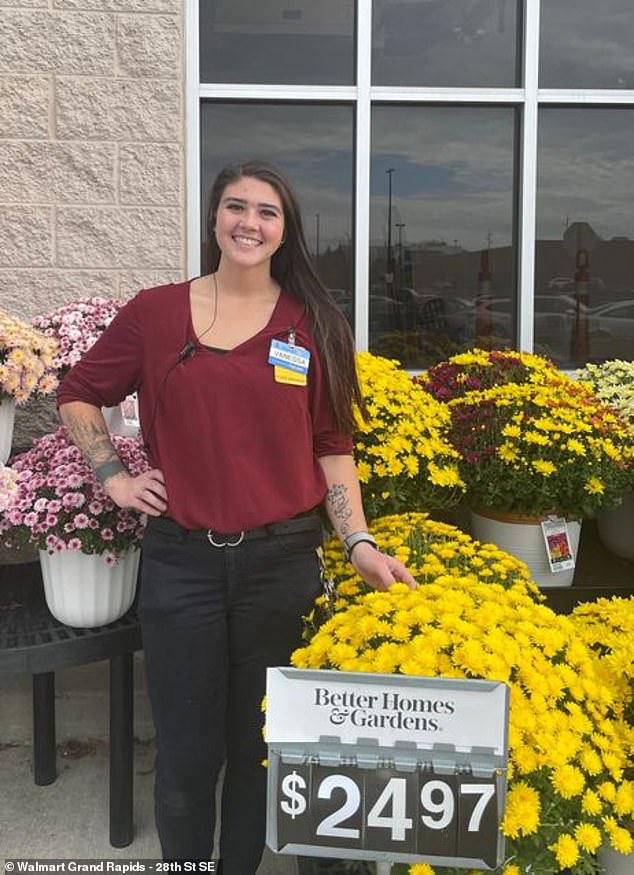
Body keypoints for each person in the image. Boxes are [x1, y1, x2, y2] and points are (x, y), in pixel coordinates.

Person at [57, 160, 415, 873]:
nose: (249, 222)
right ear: (215, 219)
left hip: (278, 567)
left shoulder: (313, 323)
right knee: (188, 757)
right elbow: (78, 392)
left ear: (286, 230)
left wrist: (360, 544)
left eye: (267, 211)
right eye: (235, 206)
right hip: (181, 563)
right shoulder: (157, 313)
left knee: (258, 751)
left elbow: (332, 449)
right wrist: (114, 477)